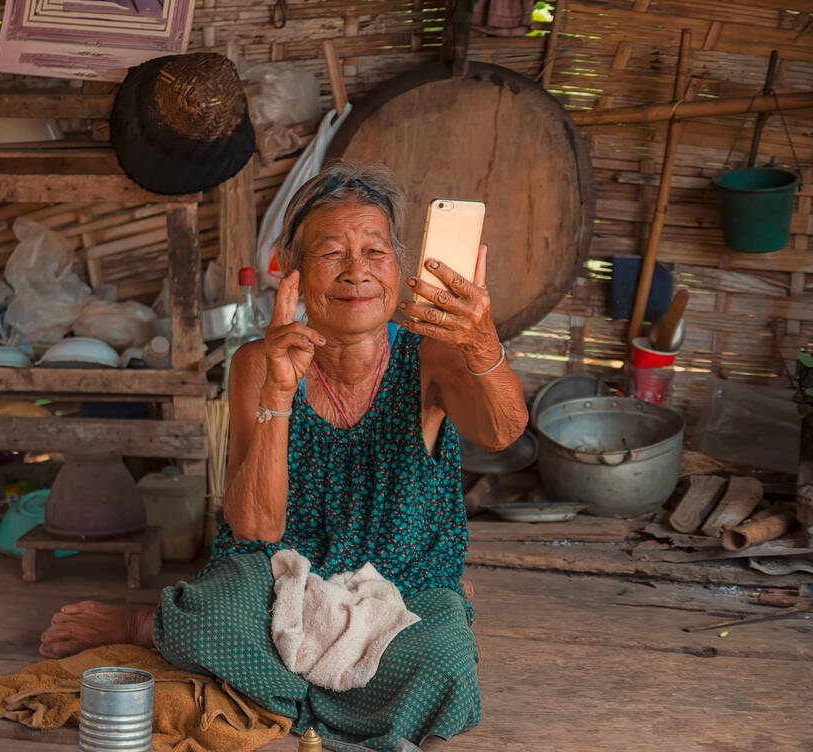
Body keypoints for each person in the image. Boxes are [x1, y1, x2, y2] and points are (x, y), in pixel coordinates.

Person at [39, 161, 528, 750]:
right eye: (330, 253)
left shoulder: (432, 360)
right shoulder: (256, 363)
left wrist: (482, 341)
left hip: (399, 591)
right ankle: (150, 626)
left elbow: (502, 432)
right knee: (212, 619)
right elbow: (255, 524)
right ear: (291, 270)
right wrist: (278, 392)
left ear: (399, 267)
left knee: (446, 665)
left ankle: (269, 692)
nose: (356, 273)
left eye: (374, 251)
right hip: (279, 584)